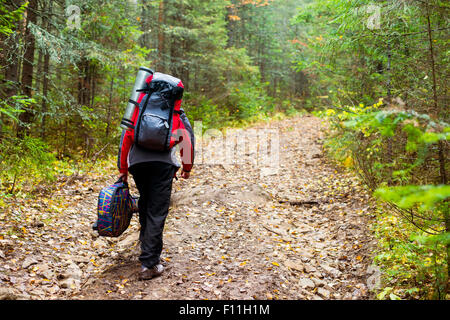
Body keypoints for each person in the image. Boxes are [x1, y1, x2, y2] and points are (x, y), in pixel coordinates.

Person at [117, 74, 195, 280]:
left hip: (138, 164)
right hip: (163, 166)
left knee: (145, 203)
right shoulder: (173, 111)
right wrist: (187, 167)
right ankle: (149, 263)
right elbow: (186, 138)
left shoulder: (140, 108)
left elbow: (126, 136)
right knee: (157, 211)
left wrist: (122, 169)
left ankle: (146, 250)